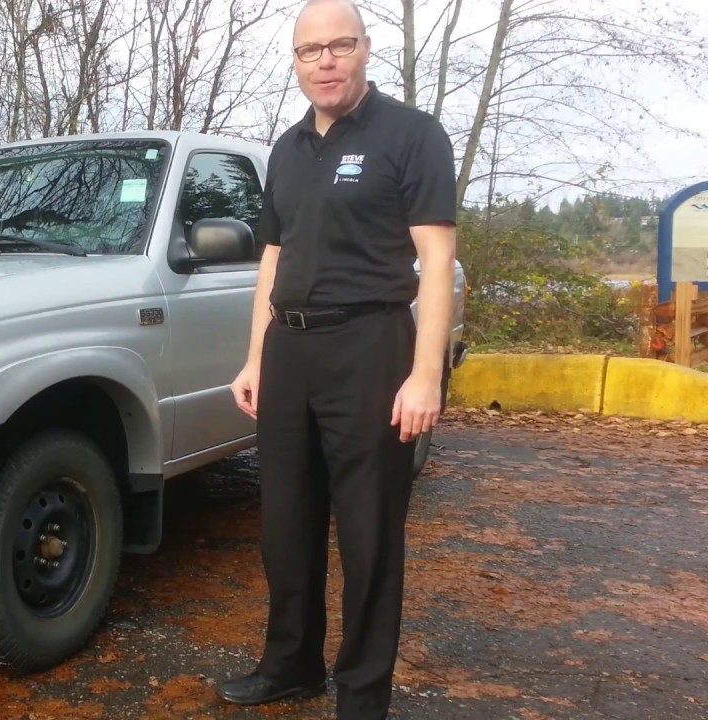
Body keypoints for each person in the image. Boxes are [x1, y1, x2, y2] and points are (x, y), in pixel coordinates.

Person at [217, 1, 458, 718]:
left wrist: (424, 372)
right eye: (308, 50)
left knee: (367, 531)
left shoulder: (411, 136)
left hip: (369, 347)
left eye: (339, 46)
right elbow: (274, 256)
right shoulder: (288, 150)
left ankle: (361, 693)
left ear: (365, 49)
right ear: (294, 61)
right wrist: (255, 355)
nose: (324, 61)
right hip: (289, 351)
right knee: (284, 524)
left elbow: (437, 260)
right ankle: (291, 662)